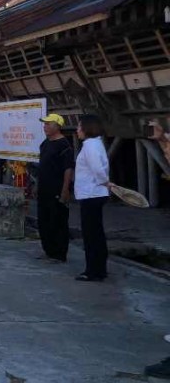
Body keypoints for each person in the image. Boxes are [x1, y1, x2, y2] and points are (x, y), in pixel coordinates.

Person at [74, 114, 112, 282]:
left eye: (79, 126)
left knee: (91, 235)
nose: (77, 130)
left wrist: (105, 182)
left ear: (86, 128)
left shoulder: (90, 145)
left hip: (91, 194)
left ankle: (93, 271)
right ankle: (99, 268)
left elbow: (97, 169)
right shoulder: (96, 144)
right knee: (96, 233)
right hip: (94, 193)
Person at [37, 114, 74, 263]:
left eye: (48, 124)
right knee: (44, 220)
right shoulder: (45, 143)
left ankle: (59, 254)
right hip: (44, 188)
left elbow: (68, 169)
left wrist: (65, 190)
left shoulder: (64, 145)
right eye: (44, 124)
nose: (45, 126)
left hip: (57, 189)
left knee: (57, 220)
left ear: (57, 126)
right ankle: (48, 250)